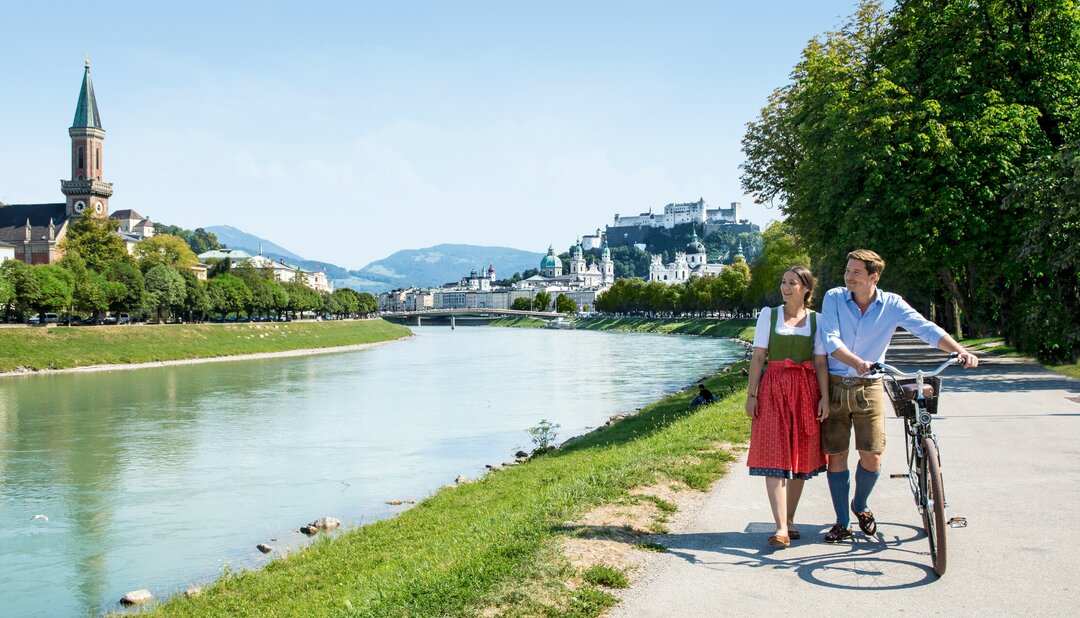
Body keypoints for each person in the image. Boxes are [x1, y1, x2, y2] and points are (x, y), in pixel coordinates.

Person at [818, 249, 978, 542]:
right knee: (836, 455)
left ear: (873, 277)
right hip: (836, 384)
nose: (848, 276)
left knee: (872, 456)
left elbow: (926, 329)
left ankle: (860, 504)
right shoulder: (834, 297)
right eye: (847, 270)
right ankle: (842, 521)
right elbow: (830, 340)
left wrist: (959, 350)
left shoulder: (892, 304)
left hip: (870, 387)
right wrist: (857, 362)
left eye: (856, 272)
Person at [745, 265, 830, 548]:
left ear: (806, 288)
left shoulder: (817, 321)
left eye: (792, 283)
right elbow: (758, 358)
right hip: (773, 389)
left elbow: (820, 362)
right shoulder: (768, 316)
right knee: (774, 453)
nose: (785, 287)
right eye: (783, 282)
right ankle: (780, 526)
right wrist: (751, 395)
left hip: (805, 391)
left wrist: (825, 397)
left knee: (801, 455)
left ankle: (790, 519)